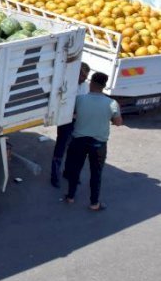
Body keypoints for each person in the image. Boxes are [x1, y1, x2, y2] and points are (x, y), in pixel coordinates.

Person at [62, 72, 122, 211]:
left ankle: (70, 196)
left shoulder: (79, 99)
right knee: (96, 173)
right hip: (99, 143)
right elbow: (118, 122)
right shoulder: (112, 103)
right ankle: (94, 203)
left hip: (79, 141)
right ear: (104, 86)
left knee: (75, 169)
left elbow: (70, 114)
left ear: (91, 84)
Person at [51, 62, 91, 188]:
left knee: (74, 149)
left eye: (85, 76)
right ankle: (54, 176)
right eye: (82, 75)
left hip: (79, 121)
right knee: (61, 148)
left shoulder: (85, 86)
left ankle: (69, 173)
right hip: (67, 121)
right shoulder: (67, 84)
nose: (84, 78)